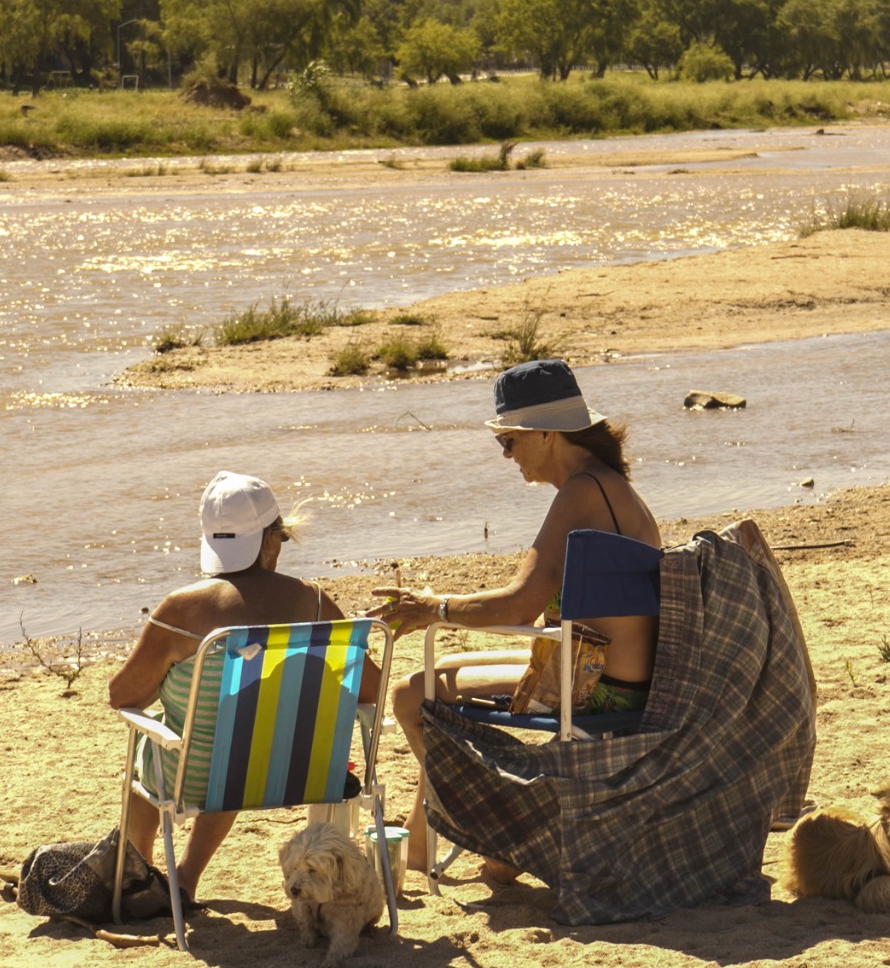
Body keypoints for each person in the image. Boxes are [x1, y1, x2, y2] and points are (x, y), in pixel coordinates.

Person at [376, 359, 662, 877]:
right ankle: (427, 844)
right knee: (438, 676)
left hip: (592, 685)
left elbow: (517, 607)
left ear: (547, 433)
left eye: (508, 441)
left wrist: (433, 608)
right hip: (616, 675)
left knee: (411, 695)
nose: (507, 454)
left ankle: (493, 833)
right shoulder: (612, 486)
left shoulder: (581, 493)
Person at [107, 471, 354, 901]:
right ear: (271, 540)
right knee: (245, 743)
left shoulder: (182, 609)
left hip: (195, 778)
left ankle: (140, 874)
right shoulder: (316, 604)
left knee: (178, 743)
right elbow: (365, 690)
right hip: (301, 774)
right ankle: (185, 878)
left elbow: (121, 695)